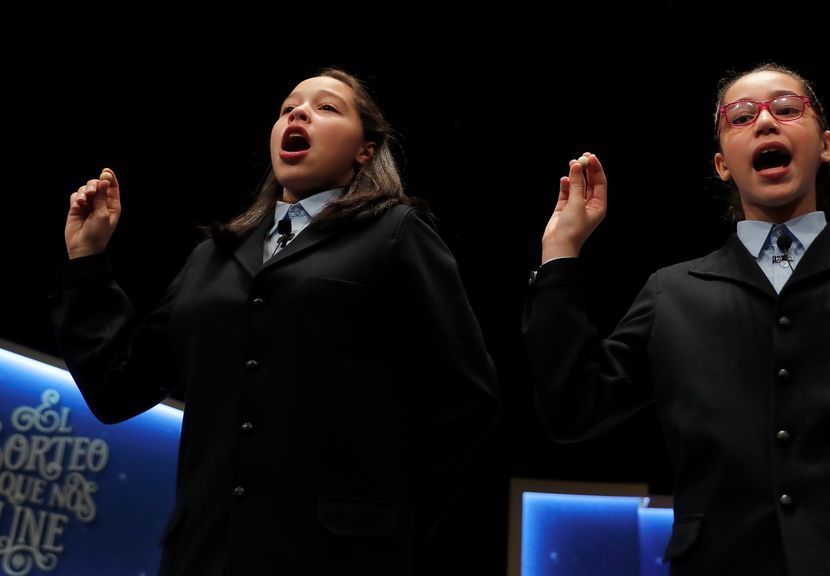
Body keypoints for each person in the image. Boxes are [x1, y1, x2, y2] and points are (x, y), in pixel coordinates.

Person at [523, 63, 830, 575]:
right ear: (723, 165)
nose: (766, 122)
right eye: (741, 116)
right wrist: (560, 252)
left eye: (787, 109)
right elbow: (573, 408)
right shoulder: (671, 293)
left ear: (827, 145)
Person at [51, 67, 499, 575]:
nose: (299, 113)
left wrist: (391, 530)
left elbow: (467, 402)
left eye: (326, 107)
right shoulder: (211, 257)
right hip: (205, 556)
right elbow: (117, 388)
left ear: (365, 150)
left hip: (339, 558)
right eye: (288, 108)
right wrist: (87, 263)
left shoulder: (397, 234)